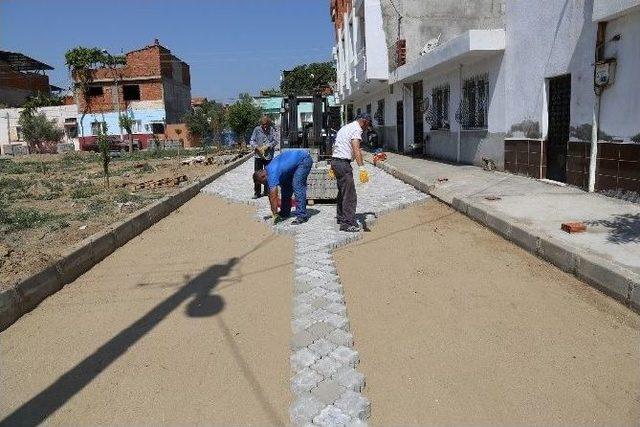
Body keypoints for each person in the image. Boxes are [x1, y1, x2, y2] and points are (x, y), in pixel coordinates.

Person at [330, 113, 372, 232]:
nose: (366, 129)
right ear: (364, 122)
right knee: (350, 194)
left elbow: (335, 146)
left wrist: (332, 164)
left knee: (342, 191)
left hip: (335, 161)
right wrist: (362, 168)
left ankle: (341, 216)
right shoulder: (356, 130)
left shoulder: (345, 128)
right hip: (343, 164)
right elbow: (356, 149)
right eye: (367, 125)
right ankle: (347, 223)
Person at [253, 149, 313, 225]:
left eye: (262, 182)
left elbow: (273, 196)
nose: (264, 184)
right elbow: (270, 193)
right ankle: (285, 212)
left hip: (304, 160)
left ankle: (302, 215)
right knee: (285, 185)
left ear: (263, 176)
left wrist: (275, 214)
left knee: (297, 185)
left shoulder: (272, 173)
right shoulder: (268, 169)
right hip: (294, 162)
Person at [249, 117, 278, 199]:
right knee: (257, 174)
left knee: (268, 173)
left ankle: (267, 191)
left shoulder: (272, 130)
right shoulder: (257, 129)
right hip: (258, 155)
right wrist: (256, 147)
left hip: (268, 156)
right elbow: (252, 140)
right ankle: (257, 193)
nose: (265, 126)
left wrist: (268, 146)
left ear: (269, 123)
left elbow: (275, 141)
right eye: (263, 125)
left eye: (266, 124)